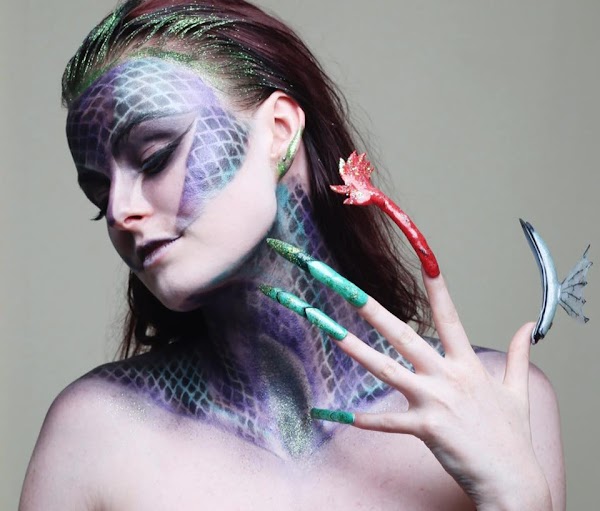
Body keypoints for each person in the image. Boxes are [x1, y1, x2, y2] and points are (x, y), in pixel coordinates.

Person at [20, 0, 565, 509]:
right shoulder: (93, 434)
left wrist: (517, 497)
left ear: (279, 131)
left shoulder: (502, 406)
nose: (119, 212)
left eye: (155, 157)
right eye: (98, 194)